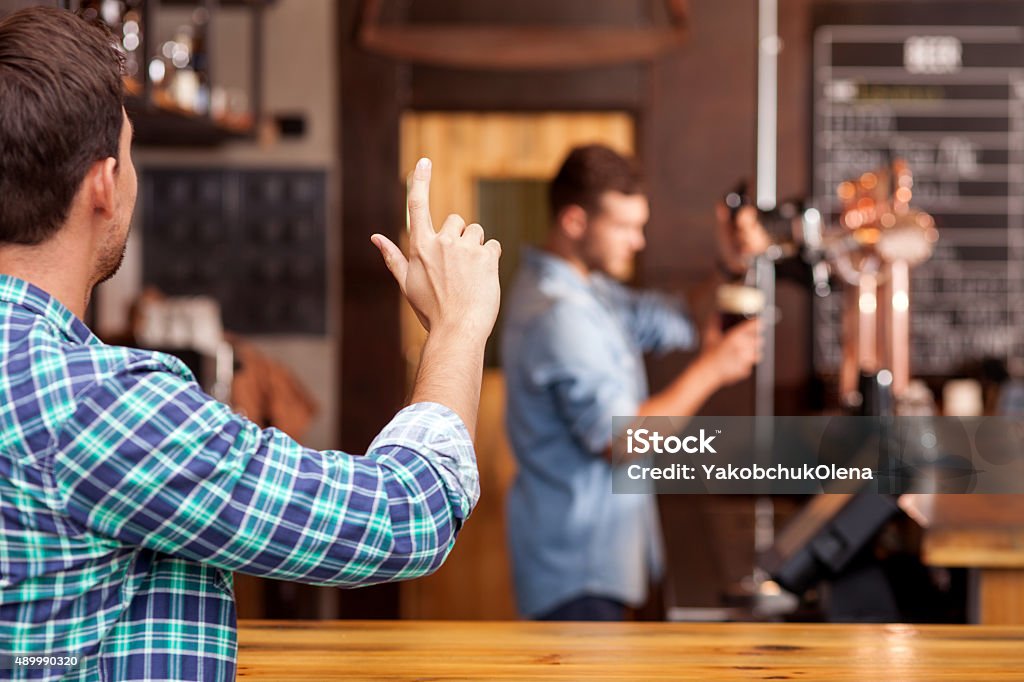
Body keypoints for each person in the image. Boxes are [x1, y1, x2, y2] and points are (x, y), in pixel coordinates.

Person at [0, 7, 499, 680]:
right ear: (104, 184)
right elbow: (408, 515)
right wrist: (460, 326)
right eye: (130, 151)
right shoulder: (91, 402)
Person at [501, 144, 762, 621]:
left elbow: (678, 317)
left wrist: (729, 266)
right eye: (624, 227)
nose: (637, 241)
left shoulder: (588, 290)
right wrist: (713, 369)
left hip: (593, 564)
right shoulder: (559, 315)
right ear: (575, 221)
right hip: (576, 575)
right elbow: (622, 440)